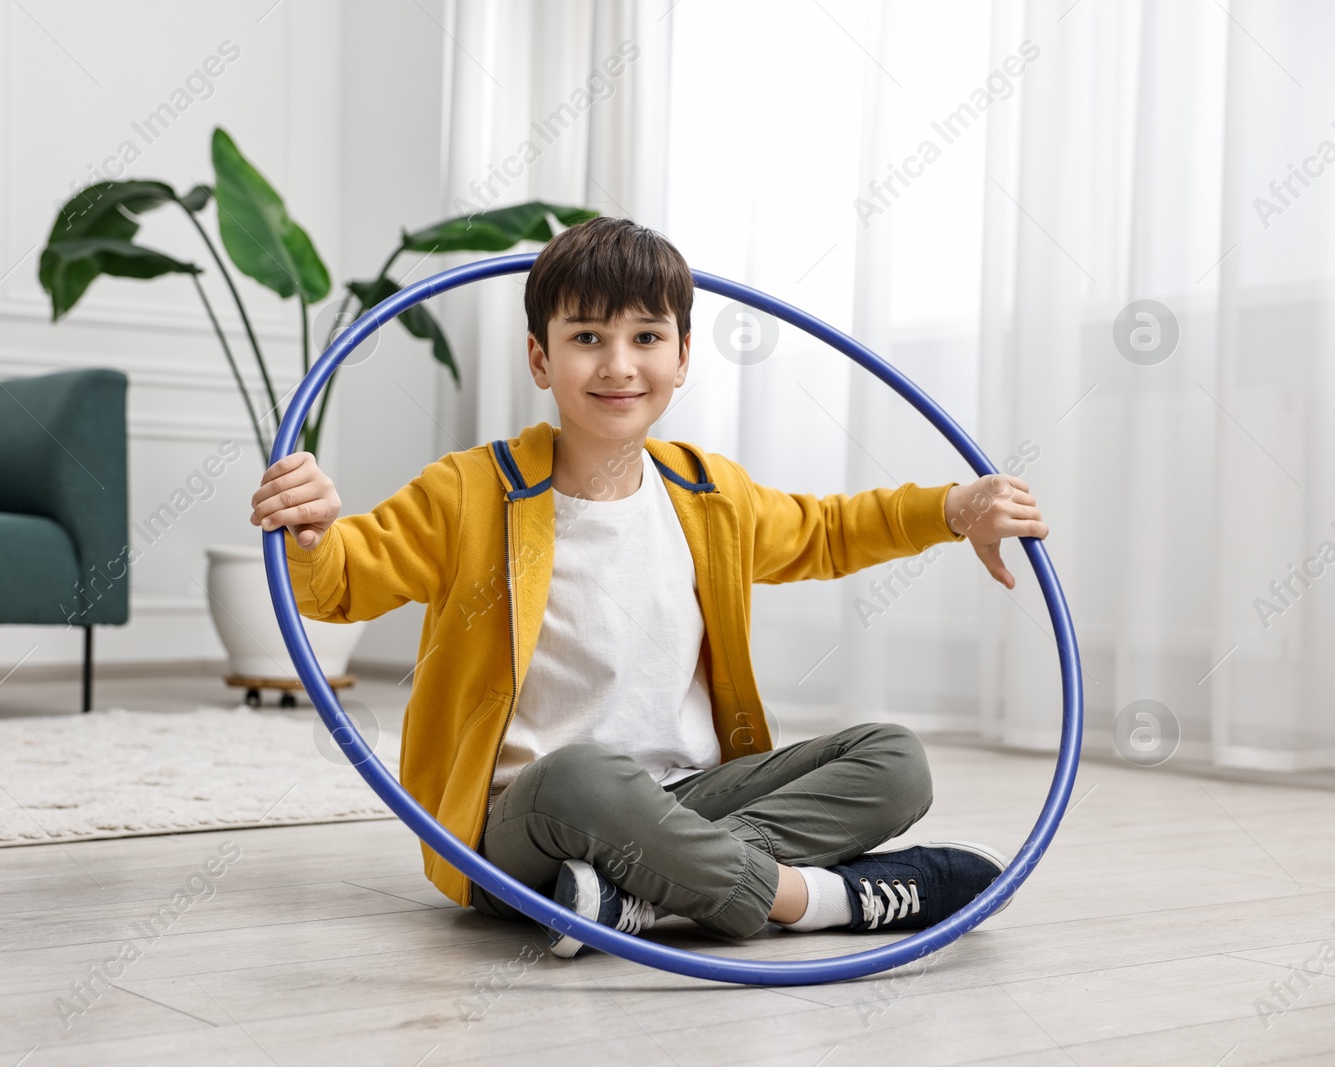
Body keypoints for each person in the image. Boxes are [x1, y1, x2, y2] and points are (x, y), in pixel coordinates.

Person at [248, 216, 1048, 958]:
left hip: (693, 797)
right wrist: (314, 534)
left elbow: (828, 530)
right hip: (532, 823)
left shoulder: (707, 493)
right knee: (580, 771)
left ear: (684, 356)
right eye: (587, 336)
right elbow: (341, 583)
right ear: (541, 358)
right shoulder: (469, 492)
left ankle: (627, 897)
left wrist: (953, 507)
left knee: (896, 760)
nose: (619, 364)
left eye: (647, 336)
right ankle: (820, 899)